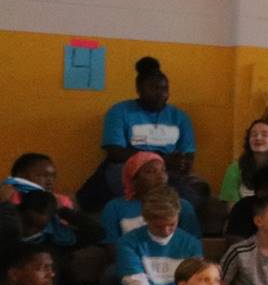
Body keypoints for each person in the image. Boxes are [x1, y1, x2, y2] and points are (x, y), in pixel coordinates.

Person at [82, 55, 198, 211]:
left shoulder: (180, 117)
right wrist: (160, 160)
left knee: (192, 197)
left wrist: (183, 164)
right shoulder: (120, 111)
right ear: (139, 89)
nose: (160, 93)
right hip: (127, 167)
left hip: (168, 170)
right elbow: (115, 152)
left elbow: (188, 153)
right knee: (148, 183)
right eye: (153, 88)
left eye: (164, 89)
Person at [100, 151, 203, 240]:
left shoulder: (182, 206)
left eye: (163, 170)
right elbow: (112, 247)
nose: (160, 176)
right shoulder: (114, 208)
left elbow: (192, 246)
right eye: (151, 172)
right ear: (134, 179)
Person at [218, 119, 268, 204]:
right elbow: (232, 208)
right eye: (254, 135)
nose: (258, 138)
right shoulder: (235, 169)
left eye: (264, 135)